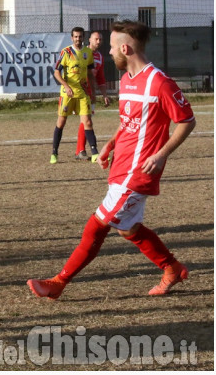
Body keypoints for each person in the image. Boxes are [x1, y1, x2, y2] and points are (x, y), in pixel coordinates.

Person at [27, 20, 196, 300]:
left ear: (126, 49)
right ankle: (173, 268)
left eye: (112, 48)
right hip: (122, 166)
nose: (107, 54)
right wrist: (110, 144)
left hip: (138, 171)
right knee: (128, 228)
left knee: (97, 225)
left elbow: (187, 121)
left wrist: (160, 154)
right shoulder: (128, 80)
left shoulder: (160, 83)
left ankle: (58, 283)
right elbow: (129, 122)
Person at [50, 26, 99, 164]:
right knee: (61, 122)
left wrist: (93, 91)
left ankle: (95, 153)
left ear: (83, 37)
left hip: (83, 93)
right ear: (72, 38)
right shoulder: (66, 52)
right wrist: (66, 86)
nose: (78, 39)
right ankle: (54, 152)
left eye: (80, 36)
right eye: (76, 36)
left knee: (87, 122)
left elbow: (90, 73)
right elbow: (56, 72)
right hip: (67, 94)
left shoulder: (88, 52)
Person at [75, 31, 111, 160]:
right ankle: (81, 150)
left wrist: (104, 95)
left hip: (91, 92)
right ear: (89, 39)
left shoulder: (99, 56)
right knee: (86, 119)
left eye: (100, 39)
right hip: (80, 91)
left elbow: (100, 78)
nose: (99, 41)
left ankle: (80, 150)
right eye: (96, 39)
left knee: (86, 119)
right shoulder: (83, 52)